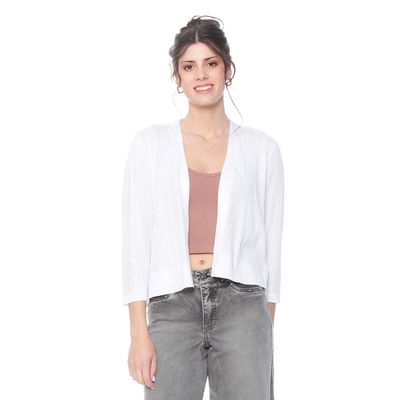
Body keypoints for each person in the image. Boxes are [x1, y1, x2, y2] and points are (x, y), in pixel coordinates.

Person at [121, 15, 284, 400]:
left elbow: (272, 248)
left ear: (227, 69)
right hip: (171, 306)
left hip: (243, 306)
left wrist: (264, 329)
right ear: (177, 76)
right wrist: (138, 334)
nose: (201, 75)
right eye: (189, 66)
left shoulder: (262, 149)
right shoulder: (149, 145)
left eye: (210, 63)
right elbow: (135, 242)